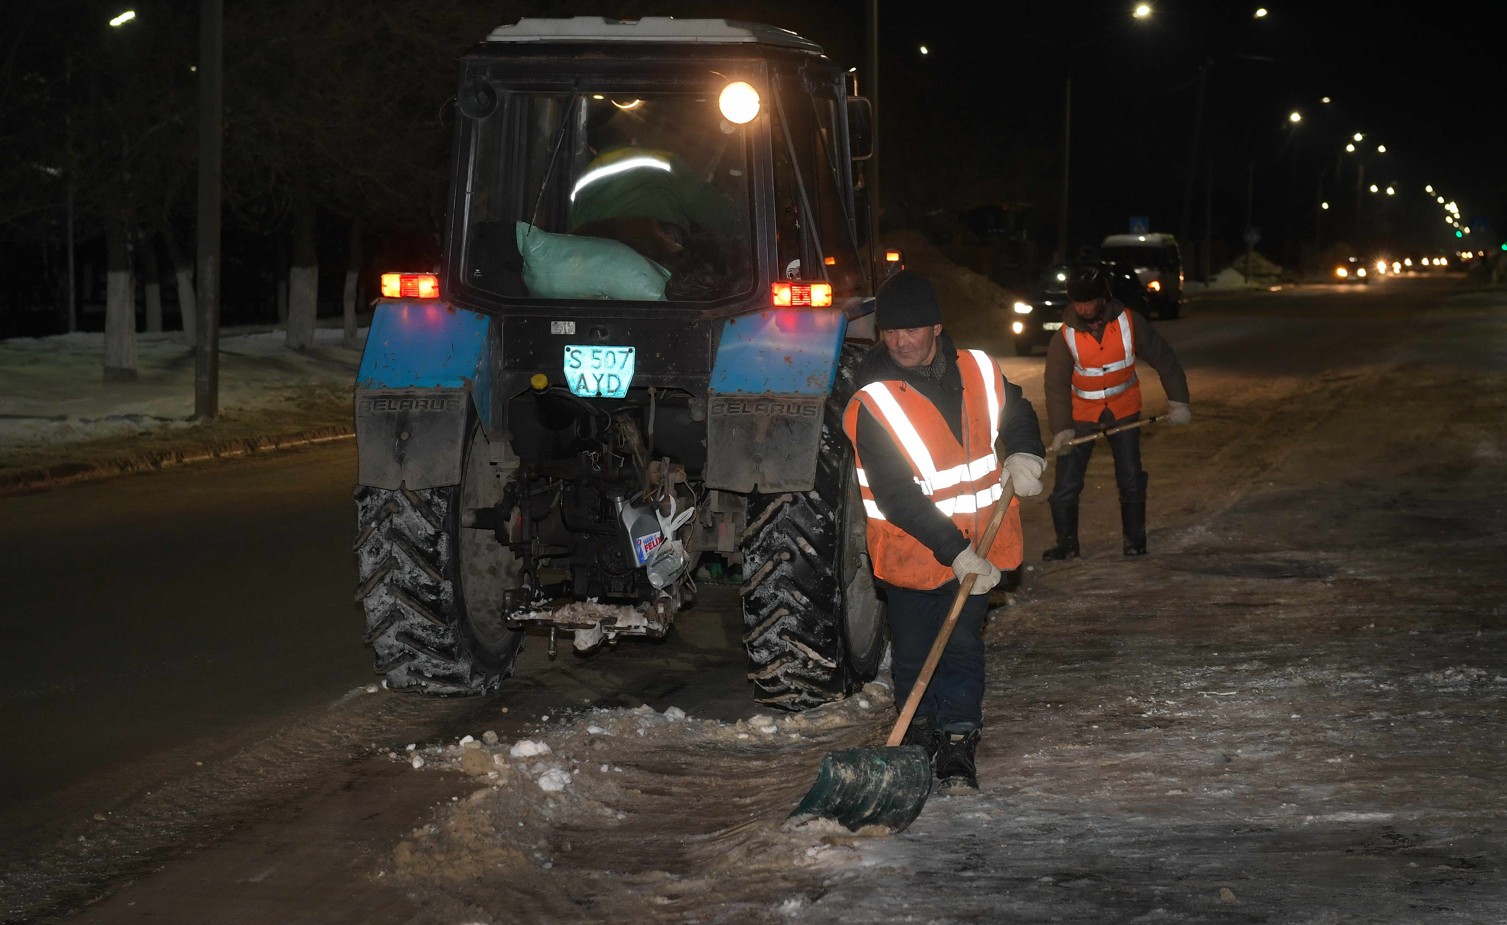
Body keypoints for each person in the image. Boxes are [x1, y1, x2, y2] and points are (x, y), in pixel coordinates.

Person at [841, 270, 1046, 793]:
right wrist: (955, 552)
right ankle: (919, 743)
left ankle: (957, 744)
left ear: (936, 326)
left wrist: (1025, 450)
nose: (900, 341)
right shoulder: (872, 400)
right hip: (913, 553)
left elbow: (1016, 408)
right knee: (913, 652)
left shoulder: (977, 368)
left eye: (911, 329)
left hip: (980, 543)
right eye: (890, 331)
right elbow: (896, 494)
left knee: (960, 647)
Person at [1041, 264, 1192, 560]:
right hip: (1081, 416)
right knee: (1067, 483)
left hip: (1123, 410)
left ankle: (1135, 541)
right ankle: (1067, 544)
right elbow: (1055, 385)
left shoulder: (1130, 323)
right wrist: (1062, 428)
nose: (1083, 308)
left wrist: (1178, 400)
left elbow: (1164, 358)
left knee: (1131, 477)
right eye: (1078, 303)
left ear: (1104, 298)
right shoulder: (1064, 337)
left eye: (1089, 302)